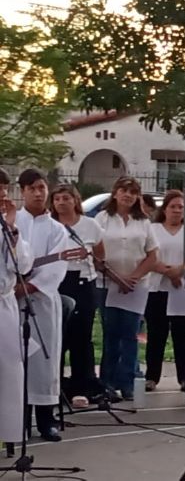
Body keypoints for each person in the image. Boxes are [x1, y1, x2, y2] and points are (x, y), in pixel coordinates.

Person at [15, 168, 69, 442]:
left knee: (44, 360)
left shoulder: (57, 230)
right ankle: (18, 420)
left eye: (42, 188)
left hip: (43, 302)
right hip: (10, 302)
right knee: (16, 361)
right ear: (22, 191)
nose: (38, 193)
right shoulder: (10, 223)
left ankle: (46, 420)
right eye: (32, 188)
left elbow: (57, 266)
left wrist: (28, 287)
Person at [95, 176, 158, 400]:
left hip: (136, 286)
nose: (128, 195)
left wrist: (133, 277)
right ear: (115, 193)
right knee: (111, 334)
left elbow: (152, 254)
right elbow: (94, 253)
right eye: (124, 190)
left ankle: (128, 382)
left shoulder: (143, 222)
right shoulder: (102, 219)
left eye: (133, 192)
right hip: (108, 284)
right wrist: (116, 277)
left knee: (131, 334)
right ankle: (107, 383)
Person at [50, 184, 104, 407]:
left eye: (66, 198)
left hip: (83, 282)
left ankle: (82, 387)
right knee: (57, 339)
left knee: (81, 337)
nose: (61, 202)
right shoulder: (50, 226)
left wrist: (87, 254)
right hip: (57, 282)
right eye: (57, 199)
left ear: (75, 200)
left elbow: (101, 256)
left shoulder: (90, 225)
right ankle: (56, 388)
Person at [144, 190, 185, 392]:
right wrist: (168, 272)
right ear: (164, 209)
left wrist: (179, 272)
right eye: (172, 206)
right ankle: (152, 376)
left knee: (183, 334)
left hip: (184, 289)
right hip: (157, 287)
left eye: (180, 207)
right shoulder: (153, 229)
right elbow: (147, 255)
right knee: (156, 334)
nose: (176, 210)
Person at [0, 168, 33, 445]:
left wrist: (11, 229)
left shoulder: (8, 225)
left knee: (8, 370)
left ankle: (6, 435)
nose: (2, 196)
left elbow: (21, 265)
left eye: (4, 190)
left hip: (4, 303)